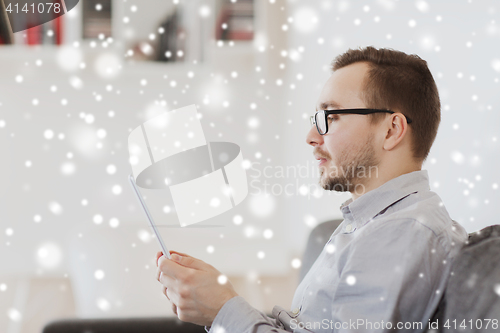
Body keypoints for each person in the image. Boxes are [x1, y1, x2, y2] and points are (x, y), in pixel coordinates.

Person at [155, 46, 468, 332]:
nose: (311, 136)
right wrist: (216, 298)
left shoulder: (401, 231)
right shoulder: (370, 224)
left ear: (391, 129)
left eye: (330, 116)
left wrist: (222, 309)